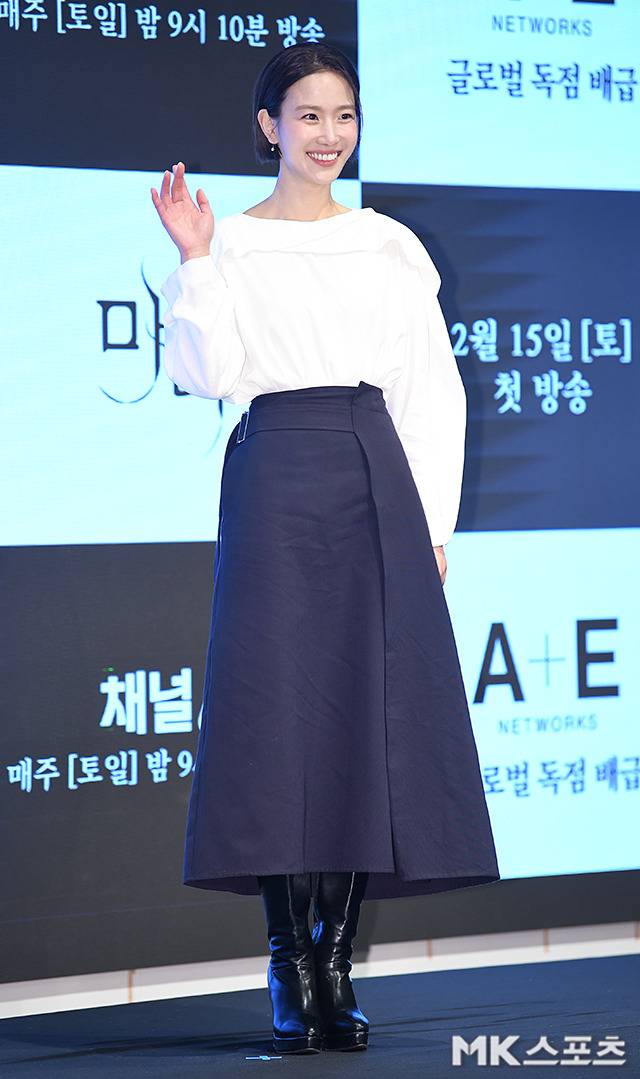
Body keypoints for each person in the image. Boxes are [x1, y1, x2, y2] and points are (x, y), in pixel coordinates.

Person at [151, 42, 500, 1056]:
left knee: (364, 714)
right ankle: (285, 960)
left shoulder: (388, 244)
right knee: (271, 717)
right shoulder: (230, 243)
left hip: (372, 470)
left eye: (342, 115)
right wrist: (195, 259)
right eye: (307, 115)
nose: (328, 134)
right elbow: (208, 374)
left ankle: (335, 958)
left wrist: (433, 523)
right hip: (272, 470)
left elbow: (430, 390)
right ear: (269, 126)